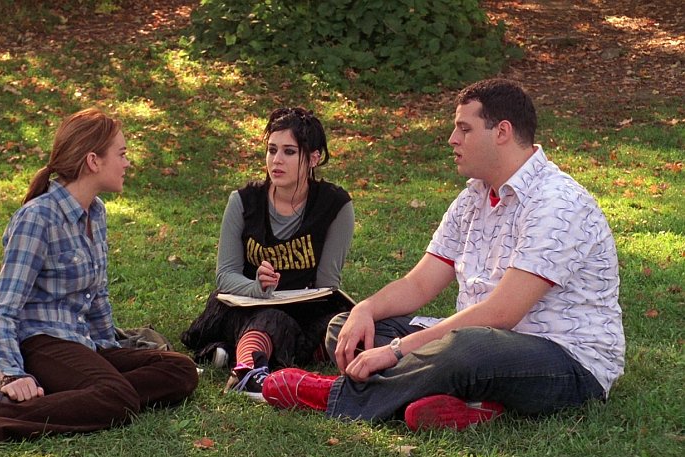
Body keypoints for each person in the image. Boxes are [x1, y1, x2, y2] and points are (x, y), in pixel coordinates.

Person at [262, 79, 625, 431]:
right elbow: (419, 283)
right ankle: (474, 405)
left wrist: (397, 351)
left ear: (501, 132)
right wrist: (365, 310)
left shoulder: (557, 204)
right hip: (482, 342)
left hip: (566, 361)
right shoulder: (474, 197)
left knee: (467, 346)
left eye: (464, 129)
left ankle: (337, 396)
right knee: (349, 329)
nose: (452, 139)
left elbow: (502, 314)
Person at [0, 108, 199, 450]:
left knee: (180, 370)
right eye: (122, 154)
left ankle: (74, 395)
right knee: (117, 397)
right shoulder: (38, 218)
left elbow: (97, 296)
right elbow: (4, 310)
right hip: (40, 343)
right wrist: (12, 373)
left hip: (81, 342)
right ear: (93, 161)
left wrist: (110, 353)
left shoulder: (95, 212)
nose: (128, 163)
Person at [181, 107, 354, 400]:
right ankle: (248, 372)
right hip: (244, 303)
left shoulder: (335, 206)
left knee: (345, 323)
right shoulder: (243, 201)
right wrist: (257, 287)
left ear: (313, 158)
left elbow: (327, 283)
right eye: (272, 150)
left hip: (302, 307)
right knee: (270, 319)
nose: (276, 160)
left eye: (289, 152)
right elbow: (225, 276)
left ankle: (232, 351)